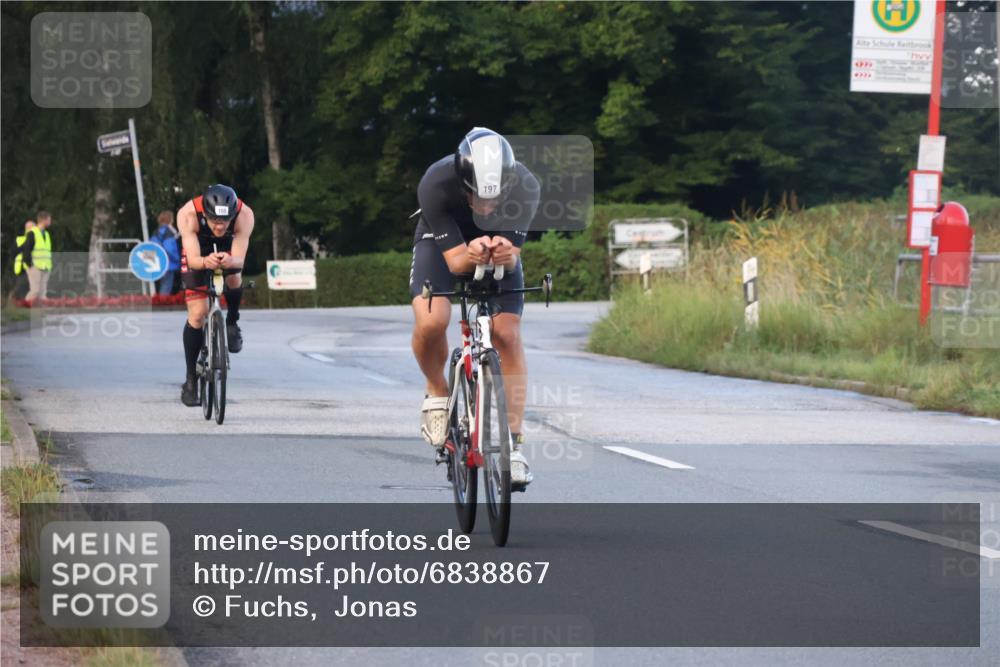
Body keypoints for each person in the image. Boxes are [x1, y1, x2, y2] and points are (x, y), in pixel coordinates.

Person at [409, 127, 540, 489]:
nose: (484, 205)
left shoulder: (526, 186)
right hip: (441, 242)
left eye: (493, 197)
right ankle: (437, 389)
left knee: (507, 334)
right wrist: (472, 252)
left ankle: (513, 447)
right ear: (462, 181)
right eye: (475, 194)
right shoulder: (436, 182)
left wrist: (504, 253)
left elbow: (512, 258)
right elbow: (455, 263)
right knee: (433, 320)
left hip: (494, 242)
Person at [176, 184, 255, 406]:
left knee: (234, 278)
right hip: (198, 249)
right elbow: (193, 260)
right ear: (205, 214)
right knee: (198, 313)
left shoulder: (244, 215)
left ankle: (232, 322)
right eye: (215, 221)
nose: (220, 226)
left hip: (229, 246)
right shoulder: (188, 215)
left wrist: (231, 261)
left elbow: (239, 259)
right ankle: (191, 379)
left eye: (225, 221)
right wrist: (204, 262)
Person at [22, 211, 53, 304]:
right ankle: (25, 307)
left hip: (45, 266)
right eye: (49, 219)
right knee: (35, 291)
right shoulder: (32, 233)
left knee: (42, 293)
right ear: (44, 220)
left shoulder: (46, 234)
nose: (50, 221)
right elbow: (26, 249)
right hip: (34, 266)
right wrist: (29, 264)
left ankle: (41, 310)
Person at [151, 210, 182, 295]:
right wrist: (177, 259)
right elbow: (170, 248)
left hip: (157, 263)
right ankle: (163, 302)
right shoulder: (168, 231)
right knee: (166, 286)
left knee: (161, 286)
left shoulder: (156, 231)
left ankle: (159, 301)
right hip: (168, 264)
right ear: (170, 219)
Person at [11, 220, 35, 301]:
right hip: (22, 269)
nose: (30, 229)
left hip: (34, 268)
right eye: (28, 227)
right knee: (21, 290)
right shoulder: (20, 239)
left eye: (32, 227)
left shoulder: (37, 239)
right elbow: (13, 253)